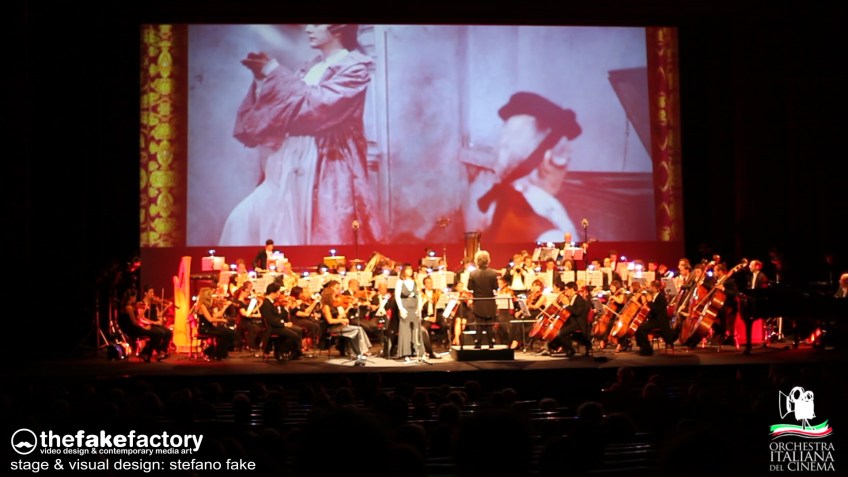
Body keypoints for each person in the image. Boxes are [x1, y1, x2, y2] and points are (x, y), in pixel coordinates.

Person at [220, 24, 383, 246]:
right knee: (244, 220)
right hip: (287, 159)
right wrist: (262, 80)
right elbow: (280, 110)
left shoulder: (354, 69)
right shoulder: (310, 68)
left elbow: (317, 106)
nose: (308, 29)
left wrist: (274, 72)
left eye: (316, 23)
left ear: (337, 28)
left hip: (325, 164)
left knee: (308, 232)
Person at [464, 92, 582, 244]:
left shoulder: (498, 202)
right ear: (547, 161)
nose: (565, 171)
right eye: (565, 160)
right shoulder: (552, 237)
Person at [320, 280, 371, 363]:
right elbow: (330, 321)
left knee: (358, 329)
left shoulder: (334, 305)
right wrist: (342, 320)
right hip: (331, 328)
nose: (335, 298)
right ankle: (362, 351)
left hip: (338, 326)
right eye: (333, 296)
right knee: (357, 330)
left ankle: (360, 351)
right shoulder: (326, 306)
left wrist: (346, 311)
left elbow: (338, 316)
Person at [541, 281, 592, 358]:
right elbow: (566, 311)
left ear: (572, 289)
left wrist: (567, 305)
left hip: (577, 323)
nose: (565, 291)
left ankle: (570, 349)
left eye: (567, 289)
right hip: (570, 321)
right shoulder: (571, 298)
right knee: (556, 330)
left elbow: (577, 312)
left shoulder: (579, 299)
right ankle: (555, 347)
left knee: (560, 333)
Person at [259, 283, 303, 362]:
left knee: (298, 330)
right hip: (272, 328)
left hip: (277, 325)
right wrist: (284, 324)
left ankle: (295, 352)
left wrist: (286, 308)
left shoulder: (271, 302)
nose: (279, 294)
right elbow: (271, 320)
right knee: (294, 336)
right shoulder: (266, 303)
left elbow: (278, 316)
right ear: (273, 292)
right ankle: (281, 351)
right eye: (278, 291)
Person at [468, 250, 499, 349]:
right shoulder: (493, 273)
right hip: (489, 300)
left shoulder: (473, 273)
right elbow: (496, 287)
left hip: (478, 301)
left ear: (477, 260)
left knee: (479, 323)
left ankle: (478, 343)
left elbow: (469, 287)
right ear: (488, 260)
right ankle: (491, 342)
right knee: (489, 323)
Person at [194, 287, 236, 361]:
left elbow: (215, 316)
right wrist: (222, 320)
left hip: (210, 327)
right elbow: (210, 319)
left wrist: (224, 307)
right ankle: (215, 352)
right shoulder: (202, 306)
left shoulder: (206, 306)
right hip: (205, 329)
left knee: (230, 332)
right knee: (226, 333)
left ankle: (219, 352)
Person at [634, 280, 674, 356]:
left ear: (654, 288)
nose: (649, 288)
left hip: (659, 322)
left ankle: (647, 350)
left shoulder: (661, 297)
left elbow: (656, 311)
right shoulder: (655, 296)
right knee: (638, 326)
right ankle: (642, 347)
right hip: (654, 320)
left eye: (650, 287)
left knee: (641, 329)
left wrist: (650, 302)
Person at [395, 263, 421, 359]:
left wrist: (419, 308)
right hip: (405, 306)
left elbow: (418, 295)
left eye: (411, 269)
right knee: (405, 330)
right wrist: (401, 309)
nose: (410, 271)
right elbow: (397, 296)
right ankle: (406, 352)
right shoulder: (400, 282)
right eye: (408, 269)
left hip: (414, 306)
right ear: (404, 271)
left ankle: (415, 350)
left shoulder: (415, 281)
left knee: (415, 329)